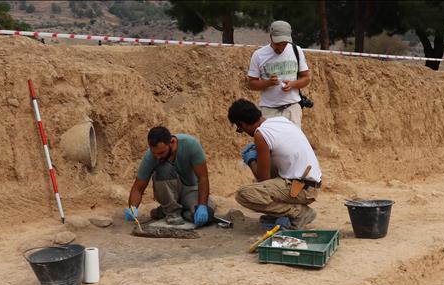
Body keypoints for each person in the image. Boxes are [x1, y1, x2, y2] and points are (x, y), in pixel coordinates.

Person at [228, 99, 321, 230]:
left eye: (240, 129)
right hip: (310, 184)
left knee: (244, 194)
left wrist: (250, 160)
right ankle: (284, 213)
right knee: (266, 174)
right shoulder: (280, 121)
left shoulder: (261, 134)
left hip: (302, 188)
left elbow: (263, 180)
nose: (242, 131)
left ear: (242, 124)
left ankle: (298, 212)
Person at [125, 126, 214, 227]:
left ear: (172, 142)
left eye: (161, 152)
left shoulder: (191, 144)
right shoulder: (150, 156)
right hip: (168, 194)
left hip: (190, 191)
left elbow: (203, 178)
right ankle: (172, 212)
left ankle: (168, 212)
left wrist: (202, 206)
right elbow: (138, 188)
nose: (157, 157)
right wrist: (132, 208)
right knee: (163, 168)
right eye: (154, 153)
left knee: (208, 216)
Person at [246, 20, 311, 128]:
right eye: (277, 44)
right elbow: (251, 84)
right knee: (271, 144)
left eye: (284, 44)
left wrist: (293, 84)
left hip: (292, 109)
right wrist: (268, 83)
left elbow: (306, 78)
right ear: (271, 37)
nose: (280, 48)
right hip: (268, 111)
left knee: (292, 143)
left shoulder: (296, 50)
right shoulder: (258, 55)